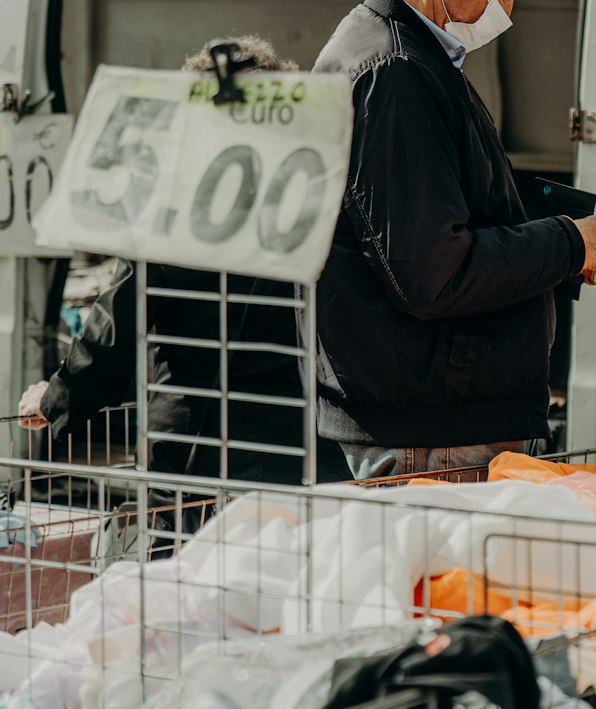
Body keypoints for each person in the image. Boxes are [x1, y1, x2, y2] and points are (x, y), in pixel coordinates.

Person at [312, 0, 596, 480]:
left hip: (427, 415)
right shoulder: (395, 71)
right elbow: (433, 271)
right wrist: (569, 241)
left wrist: (563, 253)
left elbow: (442, 227)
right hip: (431, 431)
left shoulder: (396, 53)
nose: (506, 13)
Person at [18, 35, 350, 487]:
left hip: (192, 449)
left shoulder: (169, 210)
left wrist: (56, 396)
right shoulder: (315, 204)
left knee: (183, 556)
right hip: (299, 445)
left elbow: (115, 329)